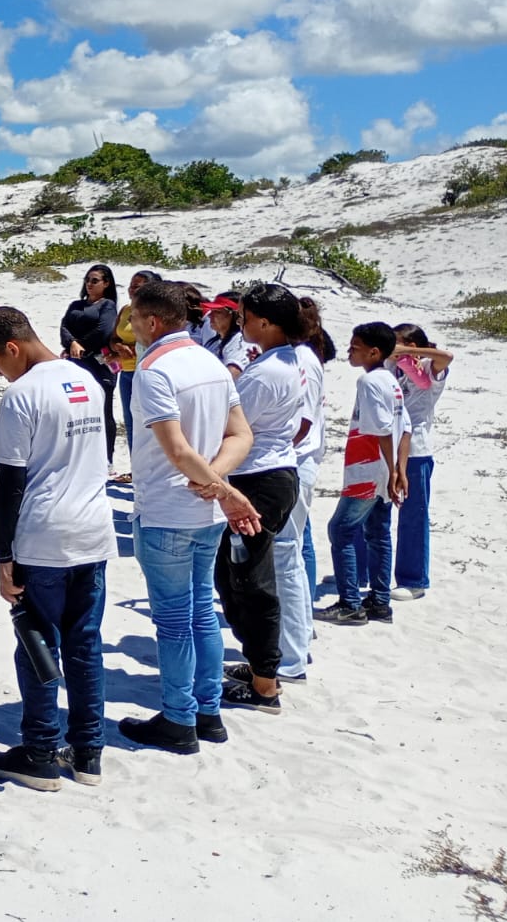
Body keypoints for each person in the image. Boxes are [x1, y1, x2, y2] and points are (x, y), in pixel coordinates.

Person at [0, 306, 115, 791]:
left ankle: (38, 752)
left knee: (36, 644)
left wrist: (2, 558)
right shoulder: (88, 381)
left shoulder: (23, 394)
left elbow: (10, 485)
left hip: (44, 535)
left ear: (13, 348)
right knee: (85, 644)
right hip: (93, 530)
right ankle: (88, 753)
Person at [117, 281, 259, 754]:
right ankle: (209, 710)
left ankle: (179, 719)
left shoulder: (155, 370)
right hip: (203, 513)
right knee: (201, 612)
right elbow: (240, 435)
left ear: (152, 321)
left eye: (134, 319)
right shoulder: (212, 362)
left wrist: (219, 488)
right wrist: (217, 482)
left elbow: (176, 449)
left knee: (176, 621)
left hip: (167, 510)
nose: (131, 328)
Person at [216, 283, 310, 715]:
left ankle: (266, 684)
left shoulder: (268, 371)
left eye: (246, 317)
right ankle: (258, 663)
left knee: (251, 583)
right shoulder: (284, 360)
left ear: (267, 323)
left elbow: (235, 426)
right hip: (270, 473)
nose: (242, 323)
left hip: (259, 480)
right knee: (232, 577)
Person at [316, 323, 409, 626]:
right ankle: (380, 601)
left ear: (374, 351)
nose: (349, 351)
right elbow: (405, 428)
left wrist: (394, 470)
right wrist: (398, 471)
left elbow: (382, 429)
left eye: (355, 346)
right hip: (383, 469)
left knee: (340, 530)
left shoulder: (368, 382)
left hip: (367, 469)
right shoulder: (392, 381)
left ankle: (350, 603)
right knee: (378, 532)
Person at [279, 295, 332, 685]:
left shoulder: (301, 359)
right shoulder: (304, 356)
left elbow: (302, 423)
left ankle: (291, 658)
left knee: (287, 559)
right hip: (298, 463)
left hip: (295, 464)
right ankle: (294, 646)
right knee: (293, 553)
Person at [390, 323, 453, 600]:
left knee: (413, 516)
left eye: (398, 344)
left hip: (416, 449)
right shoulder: (393, 368)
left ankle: (414, 579)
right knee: (371, 509)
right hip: (388, 445)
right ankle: (367, 568)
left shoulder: (429, 368)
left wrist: (409, 352)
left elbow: (447, 357)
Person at [59, 264, 119, 462]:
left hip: (98, 362)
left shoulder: (107, 305)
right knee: (76, 408)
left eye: (95, 281)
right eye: (87, 280)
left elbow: (103, 331)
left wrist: (80, 345)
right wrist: (72, 344)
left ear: (106, 283)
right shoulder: (76, 305)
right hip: (75, 361)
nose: (89, 284)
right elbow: (64, 327)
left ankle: (107, 457)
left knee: (103, 408)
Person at [110, 270, 161, 460]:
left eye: (136, 286)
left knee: (151, 423)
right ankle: (136, 467)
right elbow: (113, 338)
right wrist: (118, 347)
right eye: (131, 285)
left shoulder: (155, 314)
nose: (131, 289)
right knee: (131, 422)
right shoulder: (125, 310)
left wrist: (130, 346)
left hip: (148, 371)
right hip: (127, 372)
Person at [200, 293, 248, 380]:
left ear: (235, 315)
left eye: (217, 312)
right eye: (211, 310)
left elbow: (232, 374)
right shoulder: (214, 342)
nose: (210, 315)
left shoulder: (240, 341)